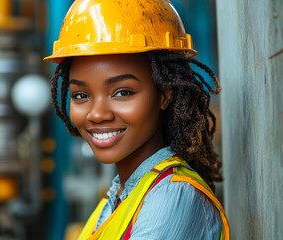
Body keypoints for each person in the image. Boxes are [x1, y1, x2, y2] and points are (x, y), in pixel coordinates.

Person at [44, 0, 229, 239]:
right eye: (81, 95)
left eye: (122, 92)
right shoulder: (119, 198)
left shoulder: (172, 198)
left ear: (164, 95)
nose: (98, 113)